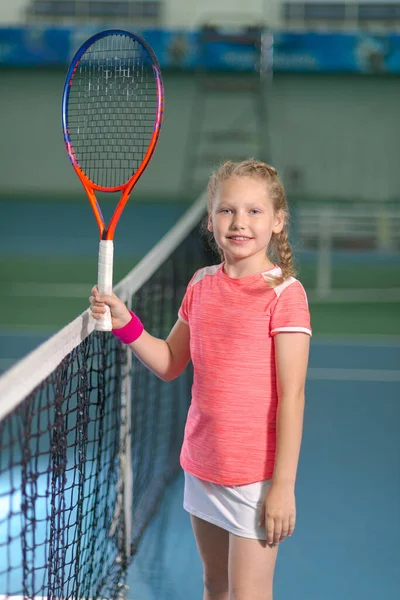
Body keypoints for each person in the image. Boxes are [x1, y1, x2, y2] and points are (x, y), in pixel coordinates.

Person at [89, 158, 311, 600]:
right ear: (210, 222)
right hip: (201, 465)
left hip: (254, 477)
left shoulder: (286, 296)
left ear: (278, 221)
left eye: (254, 211)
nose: (239, 222)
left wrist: (282, 486)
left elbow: (293, 396)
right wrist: (124, 322)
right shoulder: (201, 284)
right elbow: (171, 361)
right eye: (227, 210)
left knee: (248, 593)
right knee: (215, 585)